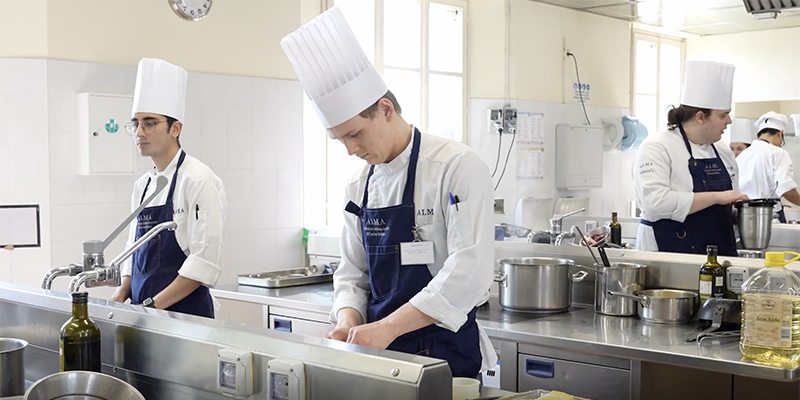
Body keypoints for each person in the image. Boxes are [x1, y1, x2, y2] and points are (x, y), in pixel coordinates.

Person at [280, 7, 497, 378]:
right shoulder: (358, 185)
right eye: (339, 139)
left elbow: (471, 271)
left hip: (444, 354)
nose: (350, 149)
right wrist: (349, 320)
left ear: (384, 109)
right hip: (377, 353)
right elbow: (352, 273)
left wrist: (388, 328)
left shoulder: (455, 166)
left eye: (354, 134)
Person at [109, 58, 227, 318]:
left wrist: (152, 308)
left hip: (185, 316)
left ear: (175, 128)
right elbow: (134, 249)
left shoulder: (198, 179)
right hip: (146, 314)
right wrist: (119, 297)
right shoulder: (142, 185)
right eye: (136, 123)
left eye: (150, 123)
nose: (140, 132)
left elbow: (204, 261)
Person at [633, 60, 749, 256]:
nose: (729, 121)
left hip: (718, 253)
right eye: (723, 116)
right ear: (701, 117)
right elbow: (655, 203)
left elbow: (728, 201)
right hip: (669, 255)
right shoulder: (657, 147)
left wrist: (741, 213)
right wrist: (717, 197)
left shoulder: (723, 152)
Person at [736, 111, 800, 223]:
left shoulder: (742, 155)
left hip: (744, 216)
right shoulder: (778, 153)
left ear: (758, 135)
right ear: (780, 134)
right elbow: (786, 189)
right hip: (769, 216)